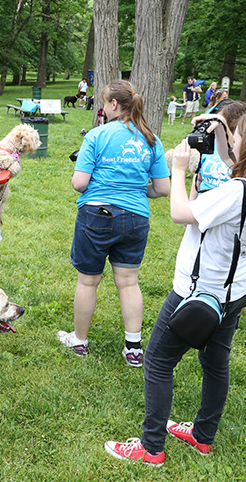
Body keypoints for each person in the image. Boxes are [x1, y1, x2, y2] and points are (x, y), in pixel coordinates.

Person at [104, 107, 246, 466]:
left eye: (237, 136)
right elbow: (236, 163)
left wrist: (177, 170)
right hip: (236, 289)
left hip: (200, 292)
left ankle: (151, 448)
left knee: (158, 361)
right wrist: (221, 131)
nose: (232, 141)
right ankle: (203, 436)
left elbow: (181, 212)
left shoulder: (238, 192)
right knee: (216, 362)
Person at [58, 80, 170, 364]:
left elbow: (79, 183)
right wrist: (133, 189)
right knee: (129, 282)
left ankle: (79, 341)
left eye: (104, 103)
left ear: (114, 105)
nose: (103, 108)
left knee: (87, 282)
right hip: (135, 218)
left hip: (97, 215)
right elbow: (162, 188)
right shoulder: (151, 138)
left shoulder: (97, 136)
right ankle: (133, 348)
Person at [191, 100, 246, 197]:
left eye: (221, 121)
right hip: (201, 206)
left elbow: (229, 153)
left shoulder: (243, 153)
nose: (216, 124)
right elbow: (199, 177)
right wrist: (191, 203)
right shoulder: (211, 145)